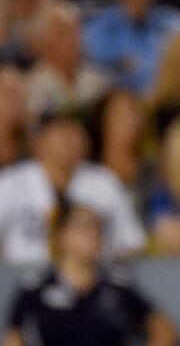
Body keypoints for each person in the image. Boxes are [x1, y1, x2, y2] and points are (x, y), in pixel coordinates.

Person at [0, 201, 179, 346]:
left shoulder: (116, 289)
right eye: (84, 228)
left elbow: (165, 333)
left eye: (98, 229)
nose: (93, 236)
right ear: (61, 235)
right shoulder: (35, 291)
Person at [0, 111, 145, 266]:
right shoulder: (10, 182)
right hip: (20, 278)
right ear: (38, 143)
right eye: (62, 133)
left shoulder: (104, 182)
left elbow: (131, 242)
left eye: (75, 133)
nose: (70, 141)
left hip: (92, 278)